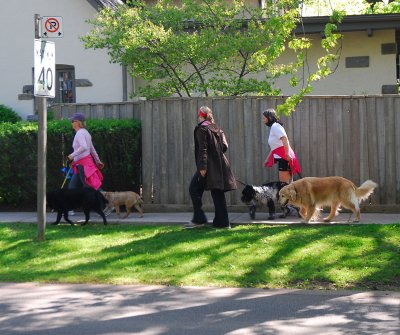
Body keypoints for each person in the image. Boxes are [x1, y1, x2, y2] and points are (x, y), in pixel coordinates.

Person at [185, 106, 237, 229]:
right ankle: (222, 223)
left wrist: (203, 167)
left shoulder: (202, 128)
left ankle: (199, 219)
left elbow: (203, 149)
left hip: (207, 167)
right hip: (220, 165)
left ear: (200, 116)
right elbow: (225, 147)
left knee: (194, 189)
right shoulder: (217, 128)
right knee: (217, 193)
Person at [67, 112, 104, 191]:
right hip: (81, 164)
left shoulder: (79, 133)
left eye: (72, 121)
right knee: (72, 187)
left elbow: (84, 147)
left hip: (83, 165)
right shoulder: (86, 132)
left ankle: (106, 200)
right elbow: (92, 149)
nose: (71, 123)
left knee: (91, 188)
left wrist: (72, 155)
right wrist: (97, 161)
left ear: (77, 122)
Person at [263, 108, 301, 183]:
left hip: (284, 157)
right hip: (282, 157)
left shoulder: (275, 126)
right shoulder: (274, 127)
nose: (263, 120)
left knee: (284, 184)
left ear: (269, 118)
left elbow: (284, 139)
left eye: (264, 118)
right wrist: (267, 159)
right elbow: (275, 147)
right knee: (286, 183)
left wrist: (287, 153)